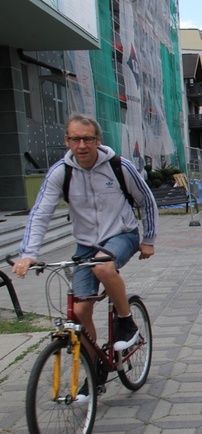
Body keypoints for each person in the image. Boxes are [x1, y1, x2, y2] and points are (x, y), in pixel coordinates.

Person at [12, 113, 158, 397]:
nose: (81, 145)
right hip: (86, 244)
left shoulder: (119, 166)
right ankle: (94, 371)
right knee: (79, 313)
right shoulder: (60, 172)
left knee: (103, 268)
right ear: (67, 140)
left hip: (122, 235)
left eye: (87, 138)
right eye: (75, 139)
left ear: (97, 140)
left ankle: (126, 323)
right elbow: (41, 212)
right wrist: (28, 254)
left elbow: (146, 201)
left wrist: (149, 239)